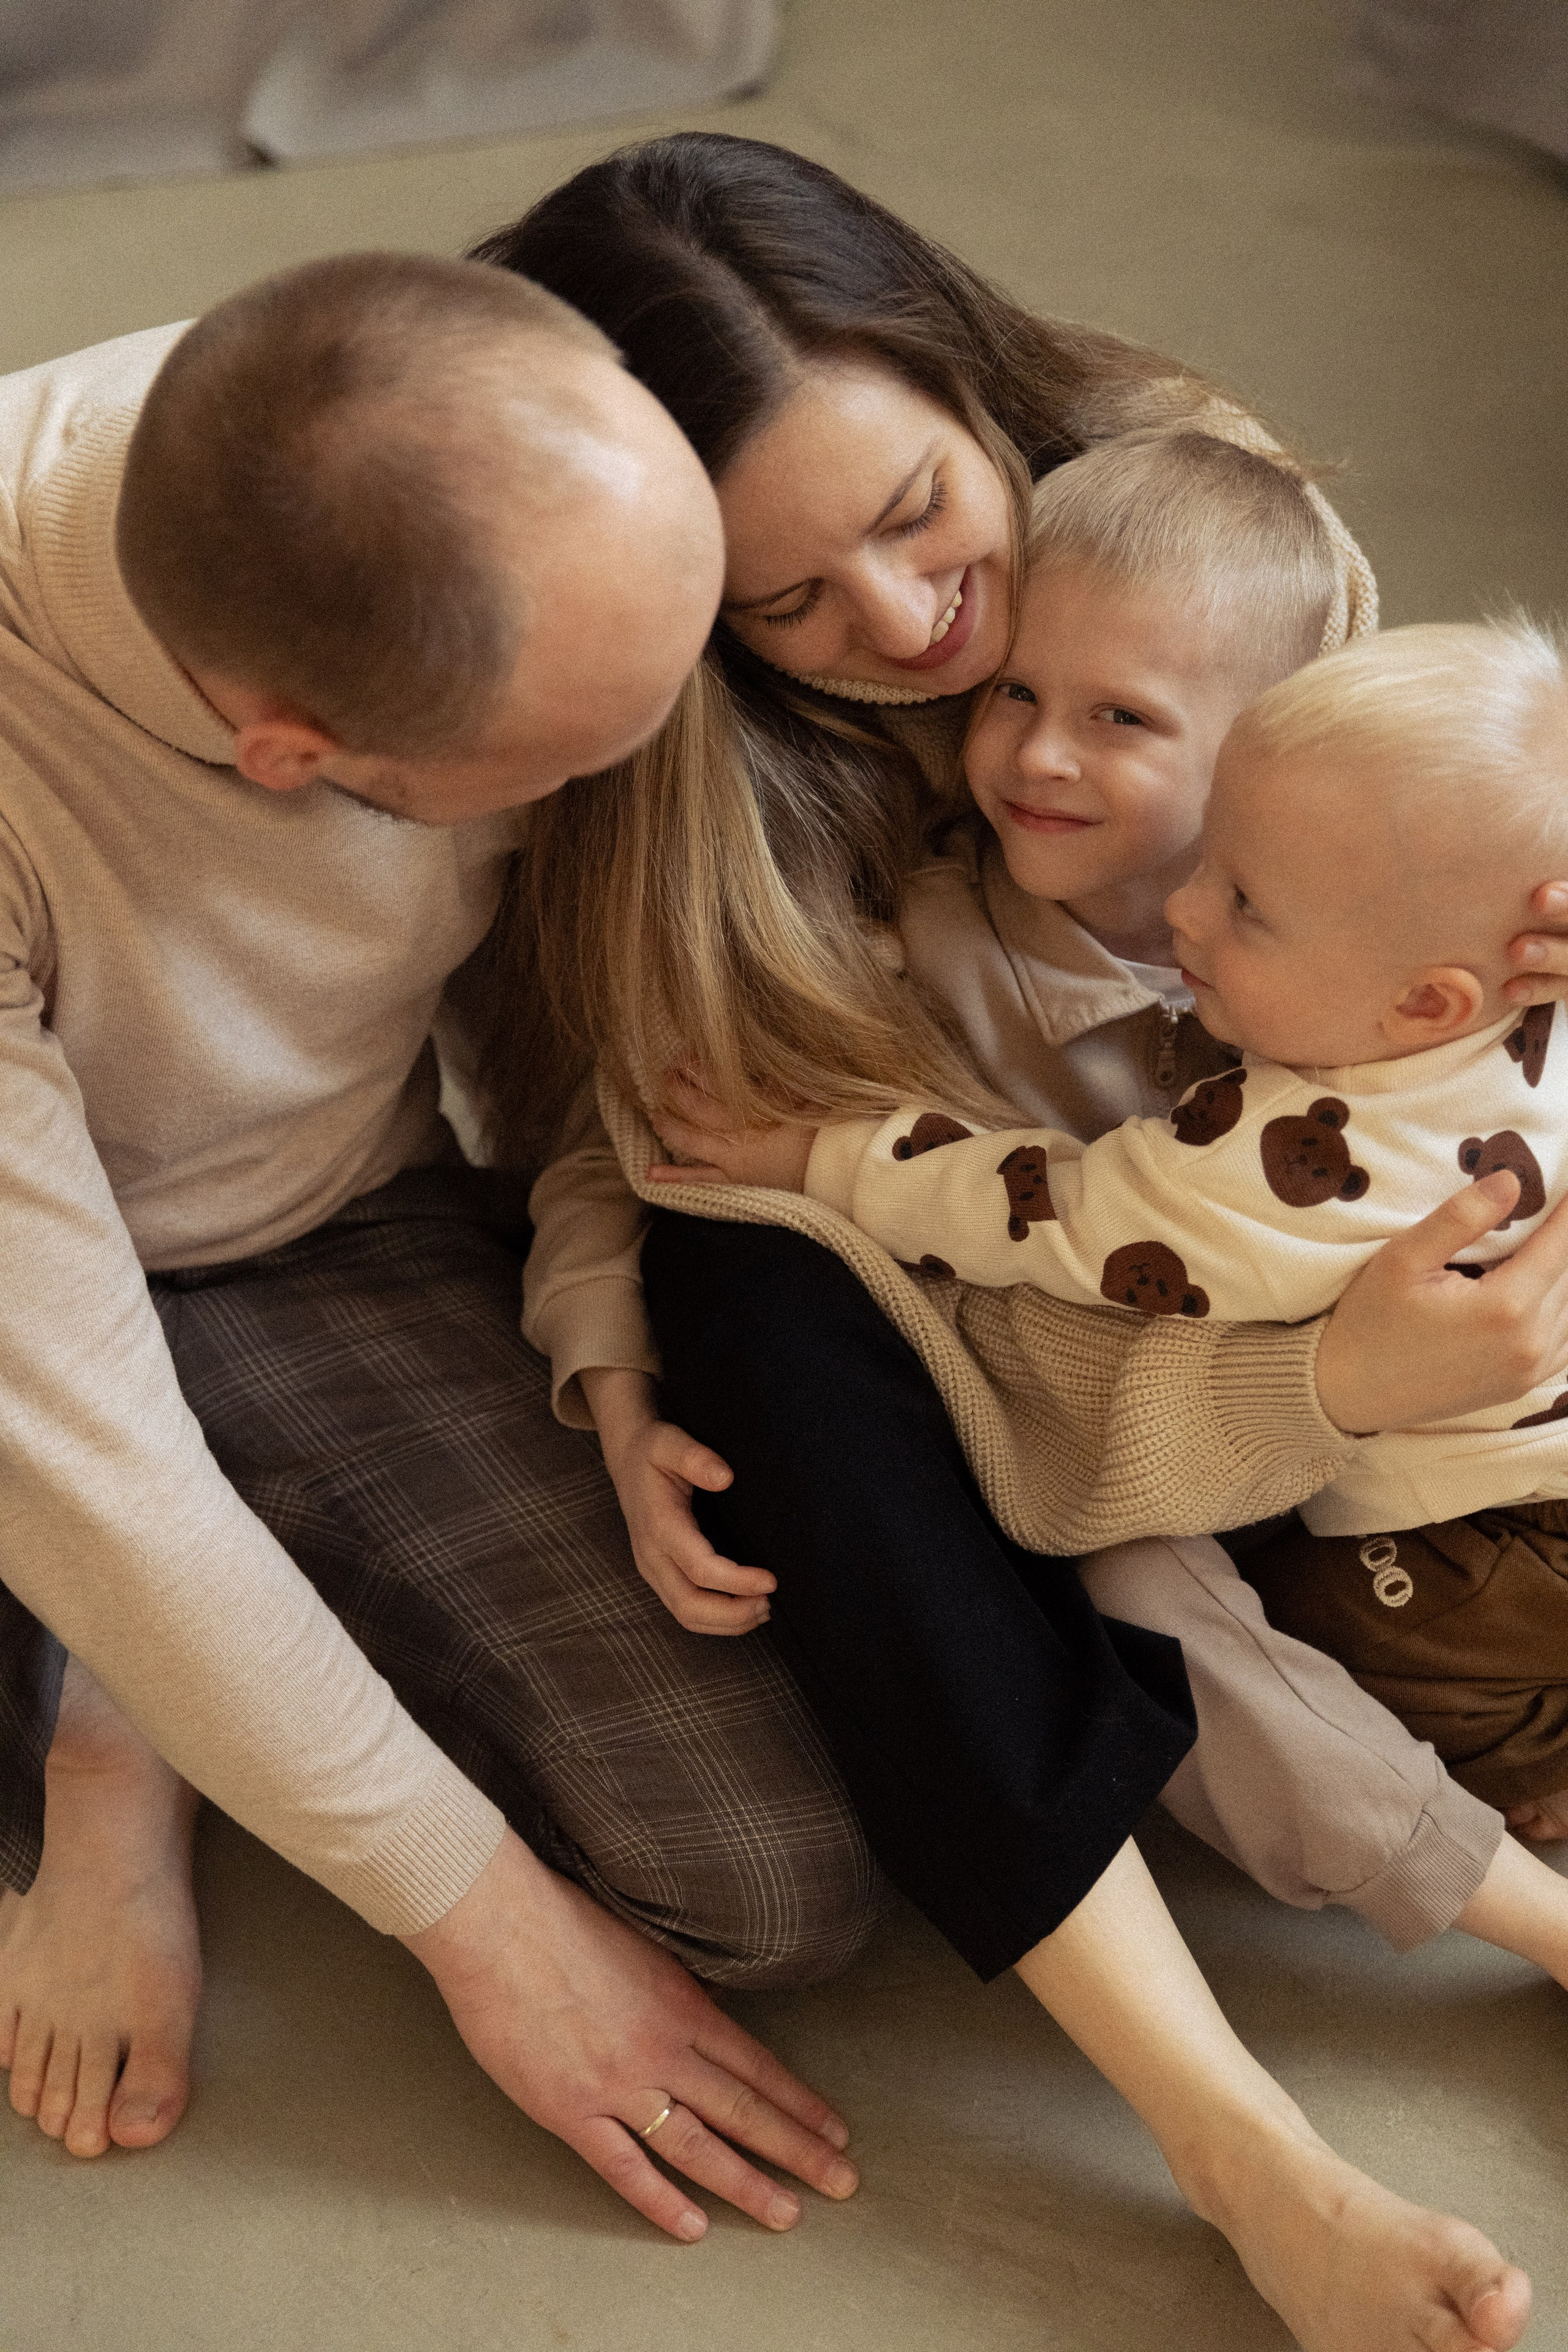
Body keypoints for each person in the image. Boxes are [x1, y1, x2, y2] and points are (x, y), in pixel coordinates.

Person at [483, 132, 1568, 2347]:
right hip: (1048, 1348)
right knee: (760, 1314)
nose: (903, 633)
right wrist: (605, 1377)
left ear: (983, 394)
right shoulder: (697, 799)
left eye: (914, 519)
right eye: (785, 603)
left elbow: (1461, 813)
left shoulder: (1205, 525)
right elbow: (643, 1125)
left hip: (1344, 1257)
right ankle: (1246, 2147)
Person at [0, 248, 879, 2247]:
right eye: (577, 759)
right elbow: (84, 1451)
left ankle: (147, 1668)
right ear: (302, 767)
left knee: (768, 1886)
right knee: (80, 1497)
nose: (651, 768)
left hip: (312, 1208)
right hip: (47, 1285)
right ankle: (104, 1741)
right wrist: (489, 1936)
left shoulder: (402, 403)